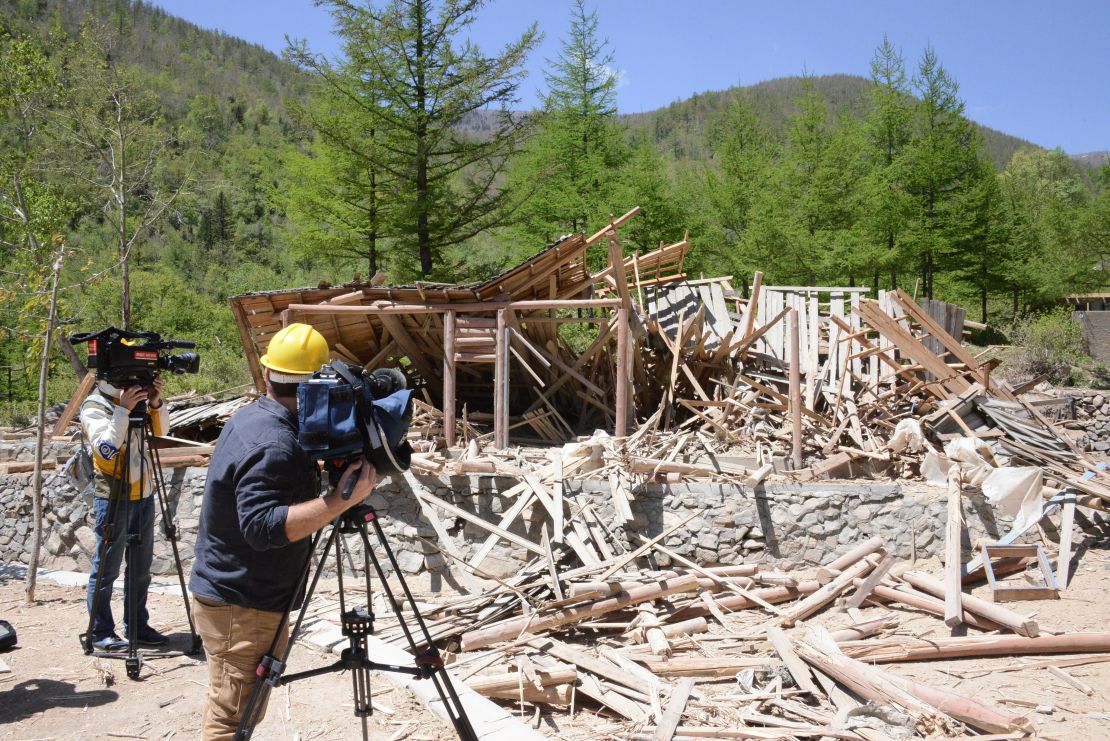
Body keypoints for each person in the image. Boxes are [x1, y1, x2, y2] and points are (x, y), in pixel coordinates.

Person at [189, 323, 376, 740]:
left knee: (237, 707)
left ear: (269, 372)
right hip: (242, 603)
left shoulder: (257, 418)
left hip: (238, 597)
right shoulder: (275, 443)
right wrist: (339, 502)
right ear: (316, 383)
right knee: (233, 718)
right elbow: (261, 527)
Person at [81, 374, 169, 651]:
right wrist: (122, 410)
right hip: (114, 497)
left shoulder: (140, 403)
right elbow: (105, 450)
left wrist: (156, 403)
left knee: (141, 570)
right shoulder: (94, 405)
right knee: (106, 570)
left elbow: (162, 432)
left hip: (143, 492)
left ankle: (137, 627)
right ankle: (100, 632)